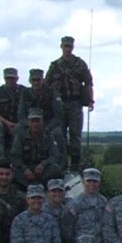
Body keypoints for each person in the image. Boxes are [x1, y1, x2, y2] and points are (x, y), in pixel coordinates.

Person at [45, 35, 95, 171]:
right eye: (65, 46)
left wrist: (90, 100)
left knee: (75, 135)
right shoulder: (55, 66)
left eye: (70, 46)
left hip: (75, 103)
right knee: (59, 135)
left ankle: (75, 165)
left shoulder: (79, 64)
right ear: (61, 47)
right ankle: (61, 164)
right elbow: (47, 85)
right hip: (59, 105)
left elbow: (88, 83)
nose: (68, 49)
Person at [10, 109, 63, 189]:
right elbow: (15, 156)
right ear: (28, 123)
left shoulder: (48, 136)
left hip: (42, 171)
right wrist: (25, 169)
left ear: (42, 122)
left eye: (38, 121)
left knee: (55, 169)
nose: (35, 124)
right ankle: (30, 186)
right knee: (13, 171)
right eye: (32, 121)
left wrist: (43, 164)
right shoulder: (20, 137)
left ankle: (37, 185)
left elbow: (55, 156)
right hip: (26, 168)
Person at [66, 168, 108, 243]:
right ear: (83, 182)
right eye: (89, 181)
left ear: (99, 183)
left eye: (95, 181)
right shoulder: (75, 203)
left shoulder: (104, 201)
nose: (92, 184)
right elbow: (67, 228)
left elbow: (107, 224)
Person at [18, 68, 66, 148]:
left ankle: (59, 155)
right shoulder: (25, 93)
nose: (36, 82)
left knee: (57, 133)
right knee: (18, 129)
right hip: (30, 124)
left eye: (38, 80)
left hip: (48, 124)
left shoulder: (52, 93)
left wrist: (47, 128)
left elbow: (58, 116)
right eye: (33, 80)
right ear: (30, 81)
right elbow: (21, 115)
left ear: (43, 80)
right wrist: (30, 125)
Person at [0, 67, 25, 151]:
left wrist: (20, 123)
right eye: (8, 78)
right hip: (3, 122)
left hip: (20, 122)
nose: (10, 80)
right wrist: (7, 123)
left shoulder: (24, 91)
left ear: (17, 79)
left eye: (12, 78)